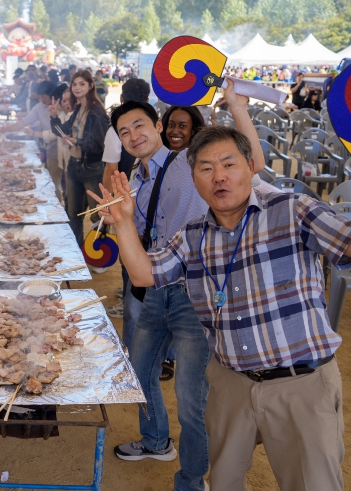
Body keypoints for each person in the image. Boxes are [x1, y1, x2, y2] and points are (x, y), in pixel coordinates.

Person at [99, 125, 350, 491]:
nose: (218, 176)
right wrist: (123, 222)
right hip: (231, 383)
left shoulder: (293, 210)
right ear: (194, 179)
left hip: (301, 383)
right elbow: (143, 274)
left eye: (228, 164)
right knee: (224, 481)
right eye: (206, 168)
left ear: (250, 166)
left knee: (312, 484)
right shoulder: (193, 234)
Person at [92, 80, 265, 491]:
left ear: (158, 124)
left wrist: (237, 108)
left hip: (196, 293)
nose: (133, 136)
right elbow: (141, 237)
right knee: (139, 370)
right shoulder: (137, 176)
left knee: (191, 399)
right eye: (124, 132)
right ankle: (155, 440)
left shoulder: (189, 161)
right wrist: (118, 220)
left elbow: (252, 165)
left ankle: (191, 479)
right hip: (155, 286)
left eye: (139, 125)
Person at [100, 78, 149, 319]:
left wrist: (108, 199)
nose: (133, 136)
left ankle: (129, 301)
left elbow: (111, 169)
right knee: (136, 250)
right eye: (126, 133)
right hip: (139, 199)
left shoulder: (115, 129)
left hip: (125, 199)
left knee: (129, 251)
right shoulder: (150, 125)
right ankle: (129, 296)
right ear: (148, 100)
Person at [50, 69, 109, 247]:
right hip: (74, 165)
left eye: (82, 84)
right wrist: (54, 117)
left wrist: (77, 141)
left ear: (91, 86)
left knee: (98, 216)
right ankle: (76, 251)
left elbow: (98, 145)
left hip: (92, 168)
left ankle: (99, 254)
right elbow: (62, 131)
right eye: (74, 84)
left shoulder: (96, 111)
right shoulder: (79, 109)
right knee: (72, 213)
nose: (77, 87)